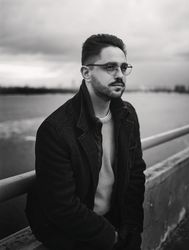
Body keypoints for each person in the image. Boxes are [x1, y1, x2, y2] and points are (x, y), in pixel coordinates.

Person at [26, 34, 146, 250]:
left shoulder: (128, 115)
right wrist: (112, 238)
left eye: (123, 67)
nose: (120, 75)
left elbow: (135, 174)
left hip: (116, 222)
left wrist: (133, 228)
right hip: (71, 235)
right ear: (86, 72)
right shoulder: (55, 130)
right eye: (110, 67)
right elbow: (61, 205)